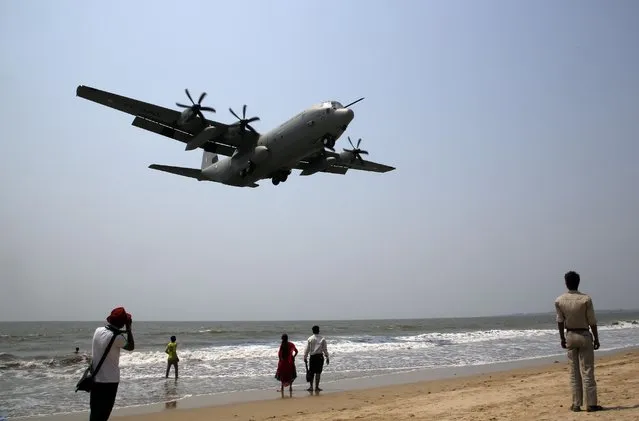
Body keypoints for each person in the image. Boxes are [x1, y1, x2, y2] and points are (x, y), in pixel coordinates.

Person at [554, 271, 603, 413]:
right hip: (584, 334)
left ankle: (576, 404)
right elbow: (592, 321)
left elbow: (560, 321)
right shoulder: (586, 299)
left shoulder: (559, 300)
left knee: (574, 372)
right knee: (587, 370)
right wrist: (596, 338)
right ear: (578, 282)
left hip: (570, 334)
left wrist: (562, 338)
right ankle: (591, 404)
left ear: (566, 283)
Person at [90, 307, 134, 421]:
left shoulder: (98, 330)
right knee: (104, 415)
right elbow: (131, 346)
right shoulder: (117, 338)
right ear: (121, 322)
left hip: (95, 379)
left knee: (94, 413)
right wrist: (129, 328)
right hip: (110, 381)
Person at [303, 325, 329, 392]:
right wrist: (327, 357)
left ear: (313, 331)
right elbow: (325, 349)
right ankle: (317, 387)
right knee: (318, 372)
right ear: (318, 330)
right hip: (320, 357)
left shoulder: (310, 338)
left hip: (312, 357)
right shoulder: (322, 339)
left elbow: (307, 349)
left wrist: (305, 357)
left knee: (311, 372)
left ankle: (311, 387)